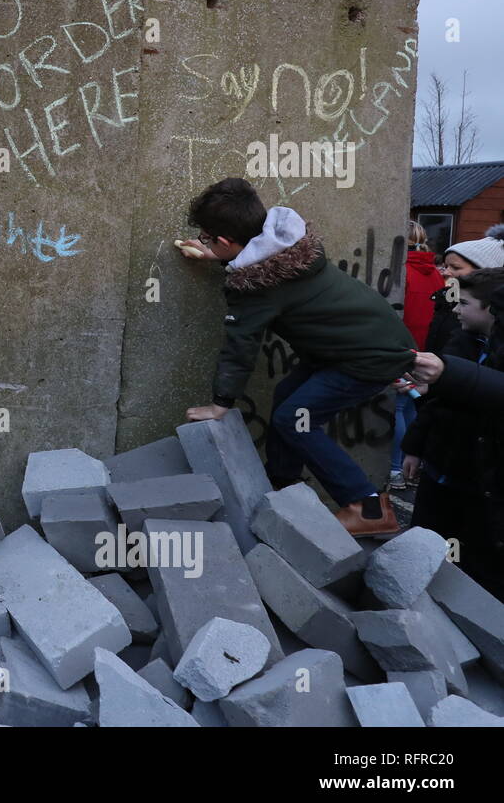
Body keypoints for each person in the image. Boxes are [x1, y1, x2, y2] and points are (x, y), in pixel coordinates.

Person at [177, 178, 416, 537]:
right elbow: (254, 260)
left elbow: (240, 343)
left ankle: (368, 507)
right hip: (360, 344)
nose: (207, 244)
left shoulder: (257, 287)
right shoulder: (289, 249)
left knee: (294, 418)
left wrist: (220, 403)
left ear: (225, 241)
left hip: (366, 358)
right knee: (288, 397)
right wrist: (219, 255)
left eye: (209, 238)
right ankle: (283, 485)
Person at [407, 282, 504, 601]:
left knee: (473, 569)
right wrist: (415, 447)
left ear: (489, 307)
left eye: (464, 302)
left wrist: (446, 374)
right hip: (443, 466)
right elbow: (439, 403)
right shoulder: (463, 339)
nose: (456, 308)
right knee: (432, 554)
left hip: (475, 477)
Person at [388, 221, 440, 492]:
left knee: (398, 408)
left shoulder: (402, 272)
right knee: (411, 408)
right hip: (427, 352)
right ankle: (409, 465)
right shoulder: (435, 273)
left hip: (403, 348)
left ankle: (396, 469)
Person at [424, 225, 504, 356]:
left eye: (455, 267)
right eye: (445, 266)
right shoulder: (446, 298)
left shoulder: (482, 319)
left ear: (482, 271)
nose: (446, 272)